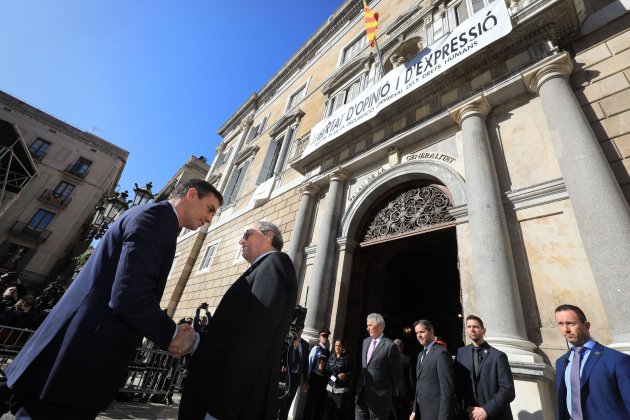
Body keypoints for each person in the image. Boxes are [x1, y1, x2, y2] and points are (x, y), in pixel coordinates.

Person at [5, 179, 222, 419]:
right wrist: (172, 334)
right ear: (191, 194)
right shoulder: (155, 219)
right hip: (78, 360)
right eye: (210, 209)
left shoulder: (155, 219)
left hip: (73, 359)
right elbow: (129, 296)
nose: (210, 219)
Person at [178, 221, 298, 420]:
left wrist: (220, 409)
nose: (241, 240)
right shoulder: (260, 269)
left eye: (247, 234)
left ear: (269, 236)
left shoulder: (274, 263)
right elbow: (230, 334)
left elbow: (255, 341)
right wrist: (196, 341)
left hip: (226, 404)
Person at [554, 304, 630, 419]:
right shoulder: (561, 362)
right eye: (561, 324)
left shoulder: (616, 360)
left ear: (586, 325)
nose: (566, 329)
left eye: (570, 323)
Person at [455, 315, 515, 420]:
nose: (472, 330)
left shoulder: (498, 356)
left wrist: (486, 410)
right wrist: (466, 406)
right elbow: (458, 384)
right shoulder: (461, 353)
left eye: (475, 327)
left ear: (484, 330)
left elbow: (508, 390)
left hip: (495, 415)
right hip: (470, 415)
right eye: (469, 327)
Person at [355, 313, 402, 420]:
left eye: (370, 325)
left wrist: (388, 397)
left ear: (379, 326)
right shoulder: (365, 342)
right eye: (367, 325)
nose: (367, 328)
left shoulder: (390, 346)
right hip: (361, 396)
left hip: (379, 400)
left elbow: (397, 374)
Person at [411, 319, 455, 420]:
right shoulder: (420, 355)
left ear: (431, 332)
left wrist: (443, 417)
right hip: (422, 412)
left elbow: (447, 390)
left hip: (436, 414)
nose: (419, 335)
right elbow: (419, 384)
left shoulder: (441, 353)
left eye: (422, 332)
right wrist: (414, 410)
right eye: (417, 333)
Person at [278, 329, 309, 420]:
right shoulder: (288, 341)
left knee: (288, 402)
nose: (297, 331)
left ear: (302, 330)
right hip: (286, 376)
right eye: (296, 329)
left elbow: (305, 364)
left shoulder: (305, 345)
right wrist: (284, 364)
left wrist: (306, 381)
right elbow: (282, 356)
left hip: (296, 378)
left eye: (299, 329)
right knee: (280, 400)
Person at [304, 329, 331, 420]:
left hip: (323, 381)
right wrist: (306, 381)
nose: (325, 338)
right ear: (320, 337)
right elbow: (310, 364)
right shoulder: (316, 348)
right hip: (314, 379)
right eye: (323, 336)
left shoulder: (327, 351)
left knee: (320, 406)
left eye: (326, 336)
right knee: (310, 404)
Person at [325, 339, 352, 420]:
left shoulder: (347, 359)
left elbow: (351, 373)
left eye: (339, 346)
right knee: (328, 412)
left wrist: (345, 375)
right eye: (336, 345)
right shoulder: (331, 357)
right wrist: (322, 368)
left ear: (343, 348)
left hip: (340, 391)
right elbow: (328, 370)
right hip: (330, 389)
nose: (337, 347)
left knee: (337, 414)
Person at [394, 339, 414, 420]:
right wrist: (413, 396)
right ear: (401, 347)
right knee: (405, 414)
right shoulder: (407, 359)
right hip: (405, 393)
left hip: (392, 393)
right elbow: (411, 379)